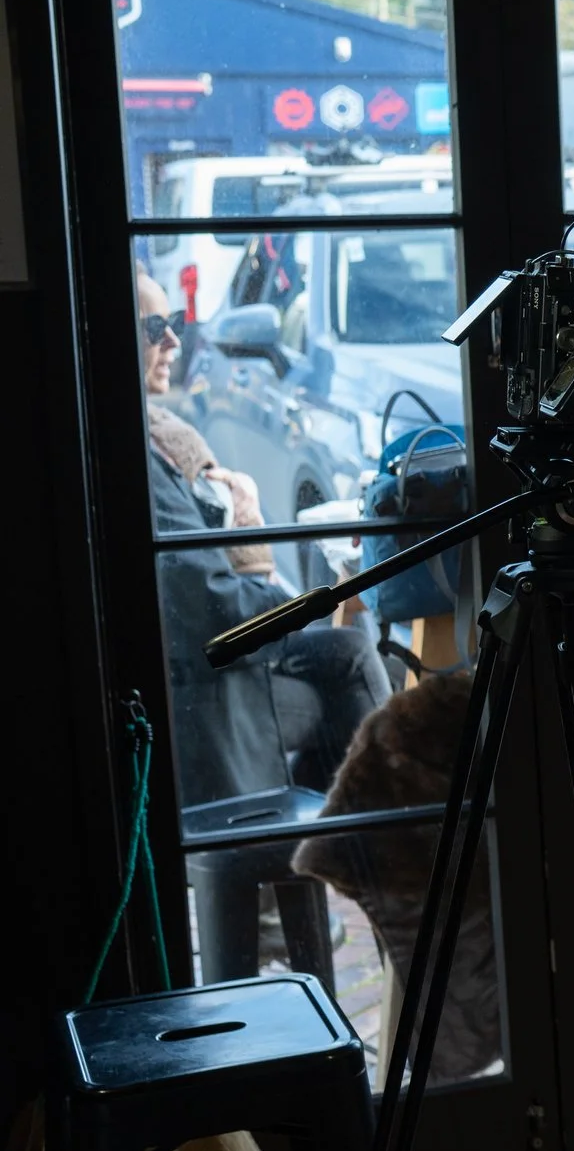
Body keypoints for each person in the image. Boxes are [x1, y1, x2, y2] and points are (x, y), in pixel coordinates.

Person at [138, 265, 389, 806]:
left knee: (350, 650)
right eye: (155, 326)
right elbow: (210, 607)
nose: (174, 339)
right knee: (349, 670)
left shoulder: (155, 432)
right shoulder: (144, 456)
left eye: (174, 320)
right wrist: (277, 593)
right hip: (201, 680)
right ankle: (374, 830)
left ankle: (341, 830)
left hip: (206, 651)